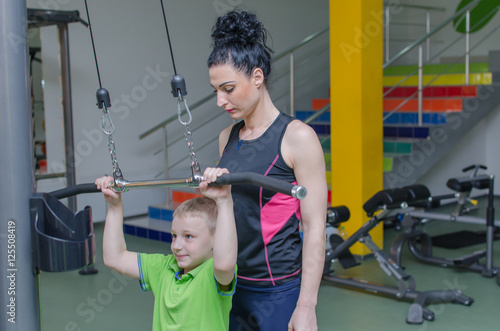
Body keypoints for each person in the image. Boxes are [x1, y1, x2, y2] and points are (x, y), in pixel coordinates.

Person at [207, 10, 328, 331]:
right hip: (232, 284)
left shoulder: (297, 137)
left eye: (228, 89)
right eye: (216, 90)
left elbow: (315, 226)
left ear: (257, 78)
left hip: (279, 290)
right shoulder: (226, 138)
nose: (221, 100)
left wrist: (306, 305)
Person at [95, 167, 237, 331]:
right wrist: (114, 206)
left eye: (188, 236)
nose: (176, 246)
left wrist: (224, 200)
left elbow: (224, 264)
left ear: (215, 239)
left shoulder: (213, 274)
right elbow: (115, 258)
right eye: (174, 235)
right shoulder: (164, 268)